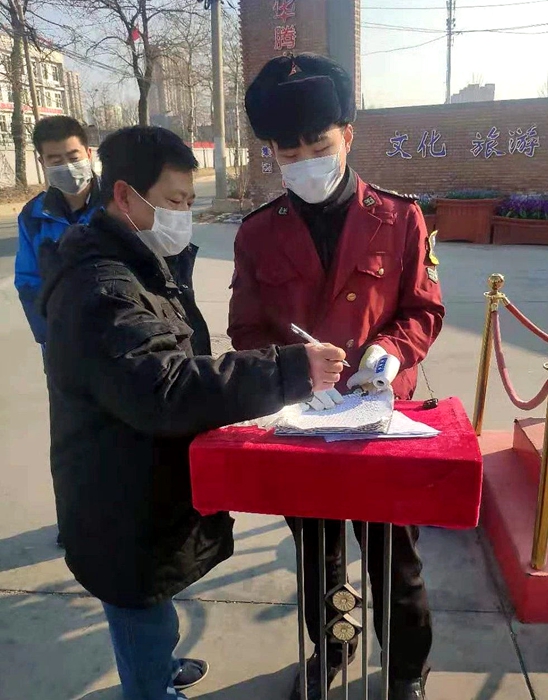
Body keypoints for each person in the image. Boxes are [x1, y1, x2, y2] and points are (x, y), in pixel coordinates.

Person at [38, 125, 346, 700]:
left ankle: (158, 667)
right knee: (139, 605)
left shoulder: (139, 260)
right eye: (174, 201)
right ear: (125, 195)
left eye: (189, 202)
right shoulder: (103, 288)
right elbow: (166, 387)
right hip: (118, 493)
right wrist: (288, 371)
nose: (184, 215)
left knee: (153, 602)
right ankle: (151, 687)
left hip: (139, 479)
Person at [228, 53, 445, 700]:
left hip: (379, 421)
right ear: (272, 153)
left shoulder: (398, 218)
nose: (305, 162)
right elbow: (246, 329)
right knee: (318, 558)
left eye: (318, 146)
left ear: (348, 135)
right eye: (288, 152)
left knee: (393, 559)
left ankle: (405, 668)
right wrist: (290, 370)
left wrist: (392, 352)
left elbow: (423, 309)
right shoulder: (258, 233)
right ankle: (333, 646)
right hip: (301, 421)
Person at [14, 115, 100, 548]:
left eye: (72, 155)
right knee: (72, 440)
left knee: (128, 432)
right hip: (63, 350)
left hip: (120, 342)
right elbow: (28, 283)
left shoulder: (119, 201)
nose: (66, 166)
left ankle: (127, 520)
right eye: (55, 159)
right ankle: (77, 523)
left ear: (88, 153)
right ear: (42, 162)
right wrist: (53, 338)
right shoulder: (34, 215)